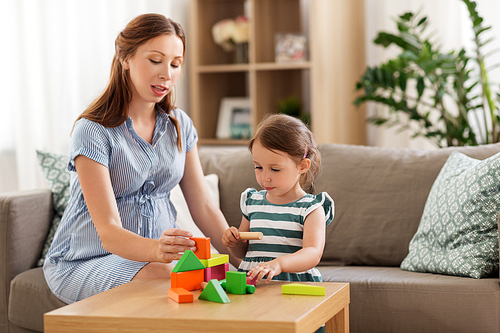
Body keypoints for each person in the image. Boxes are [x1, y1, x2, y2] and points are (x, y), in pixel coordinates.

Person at [43, 13, 231, 304]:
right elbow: (108, 232)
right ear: (125, 57)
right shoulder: (92, 131)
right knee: (168, 275)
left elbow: (204, 207)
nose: (166, 74)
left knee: (219, 276)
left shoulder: (179, 124)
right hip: (85, 260)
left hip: (156, 260)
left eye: (175, 64)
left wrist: (244, 258)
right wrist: (157, 250)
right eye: (155, 60)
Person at [222, 114, 334, 284]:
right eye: (258, 167)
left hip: (294, 285)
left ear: (302, 166)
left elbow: (313, 253)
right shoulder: (252, 202)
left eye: (275, 169)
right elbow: (243, 252)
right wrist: (233, 242)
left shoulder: (311, 208)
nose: (265, 178)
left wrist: (279, 264)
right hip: (254, 284)